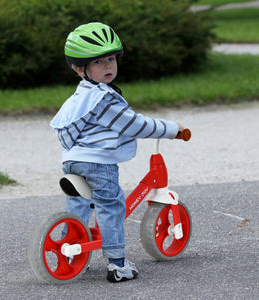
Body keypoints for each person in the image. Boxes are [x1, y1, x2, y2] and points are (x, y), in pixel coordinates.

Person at [50, 22, 184, 283]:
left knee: (78, 204)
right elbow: (135, 124)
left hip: (73, 161)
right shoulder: (104, 99)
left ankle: (72, 255)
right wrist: (171, 129)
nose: (109, 66)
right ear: (80, 68)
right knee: (111, 205)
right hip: (98, 164)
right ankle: (118, 263)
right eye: (99, 62)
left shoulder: (81, 95)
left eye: (111, 59)